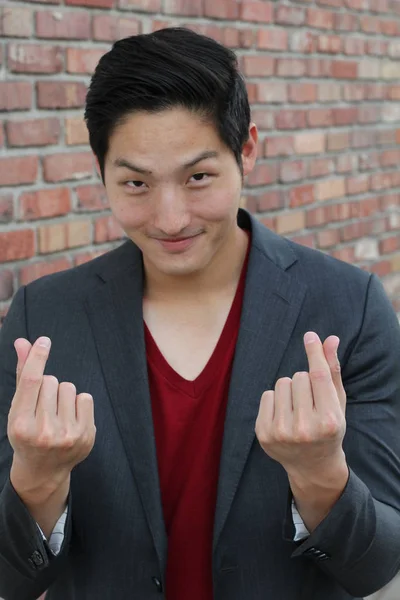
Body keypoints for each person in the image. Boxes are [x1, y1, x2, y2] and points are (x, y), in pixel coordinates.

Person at [0, 27, 400, 600]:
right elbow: (11, 576)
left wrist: (320, 474)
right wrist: (36, 478)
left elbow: (378, 566)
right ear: (101, 171)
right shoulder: (44, 320)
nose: (168, 218)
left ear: (248, 150)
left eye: (198, 177)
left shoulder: (348, 306)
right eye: (136, 183)